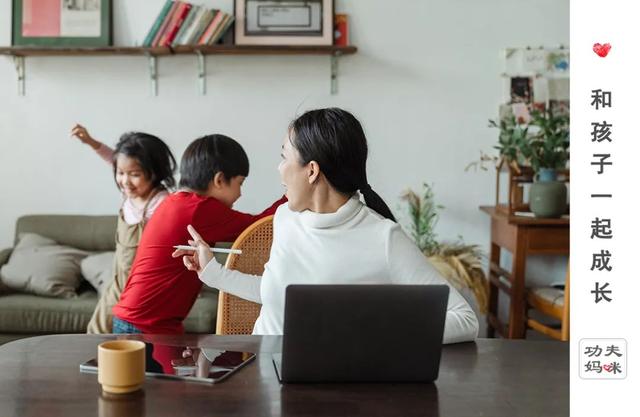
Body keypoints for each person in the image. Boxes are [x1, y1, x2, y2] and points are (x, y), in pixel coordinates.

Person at [174, 108, 479, 344]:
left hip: (335, 388)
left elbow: (464, 319)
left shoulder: (383, 238)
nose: (279, 169)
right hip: (263, 376)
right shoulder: (286, 219)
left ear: (311, 171)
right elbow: (277, 294)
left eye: (283, 157)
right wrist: (212, 272)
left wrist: (374, 329)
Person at [112, 134, 287, 334]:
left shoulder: (176, 202)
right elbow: (258, 228)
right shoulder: (198, 209)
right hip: (146, 325)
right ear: (219, 180)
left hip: (138, 319)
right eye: (240, 183)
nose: (240, 194)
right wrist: (292, 193)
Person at [70, 124, 176, 334]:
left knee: (122, 339)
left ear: (154, 172)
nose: (125, 181)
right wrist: (91, 142)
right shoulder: (129, 194)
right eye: (120, 173)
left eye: (134, 174)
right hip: (117, 281)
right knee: (96, 331)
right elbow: (114, 159)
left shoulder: (161, 203)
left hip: (139, 289)